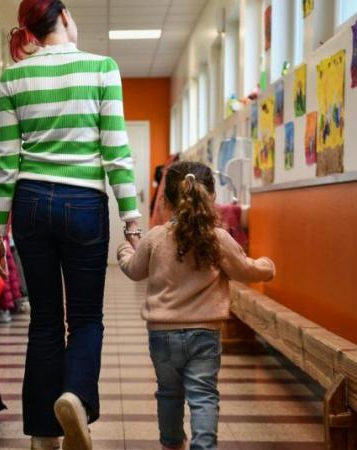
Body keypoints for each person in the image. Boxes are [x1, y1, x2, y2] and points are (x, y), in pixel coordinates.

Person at [0, 1, 141, 449]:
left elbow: (5, 161)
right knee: (87, 317)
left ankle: (42, 435)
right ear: (66, 16)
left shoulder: (14, 77)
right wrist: (131, 217)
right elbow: (116, 150)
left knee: (45, 322)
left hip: (31, 205)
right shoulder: (101, 68)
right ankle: (75, 398)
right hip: (84, 205)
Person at [117, 161, 275, 450]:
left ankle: (172, 444)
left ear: (166, 199)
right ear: (211, 196)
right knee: (203, 396)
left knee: (168, 393)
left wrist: (125, 249)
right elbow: (245, 271)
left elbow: (134, 269)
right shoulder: (218, 238)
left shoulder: (154, 237)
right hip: (205, 333)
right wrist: (267, 266)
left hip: (161, 335)